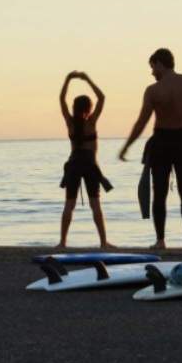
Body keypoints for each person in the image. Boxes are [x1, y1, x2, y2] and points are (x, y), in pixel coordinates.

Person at [118, 48, 182, 250]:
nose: (151, 72)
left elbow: (141, 122)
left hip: (162, 141)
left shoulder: (153, 91)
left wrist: (127, 146)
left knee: (160, 193)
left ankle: (160, 241)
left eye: (152, 67)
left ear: (159, 64)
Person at [56, 71, 115, 249]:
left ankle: (62, 242)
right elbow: (102, 97)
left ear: (74, 108)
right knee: (95, 204)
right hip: (89, 166)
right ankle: (103, 242)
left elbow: (61, 99)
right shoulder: (91, 122)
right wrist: (87, 78)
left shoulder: (70, 122)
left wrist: (68, 79)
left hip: (74, 165)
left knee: (69, 204)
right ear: (89, 109)